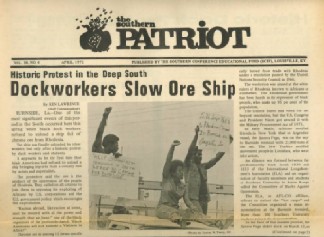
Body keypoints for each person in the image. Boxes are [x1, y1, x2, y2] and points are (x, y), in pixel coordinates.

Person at [184, 126, 233, 215]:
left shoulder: (203, 166)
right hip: (193, 198)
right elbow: (190, 151)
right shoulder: (188, 165)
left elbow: (216, 159)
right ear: (193, 155)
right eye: (198, 154)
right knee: (201, 218)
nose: (200, 156)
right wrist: (196, 136)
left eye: (201, 155)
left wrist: (226, 144)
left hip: (204, 198)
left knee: (203, 221)